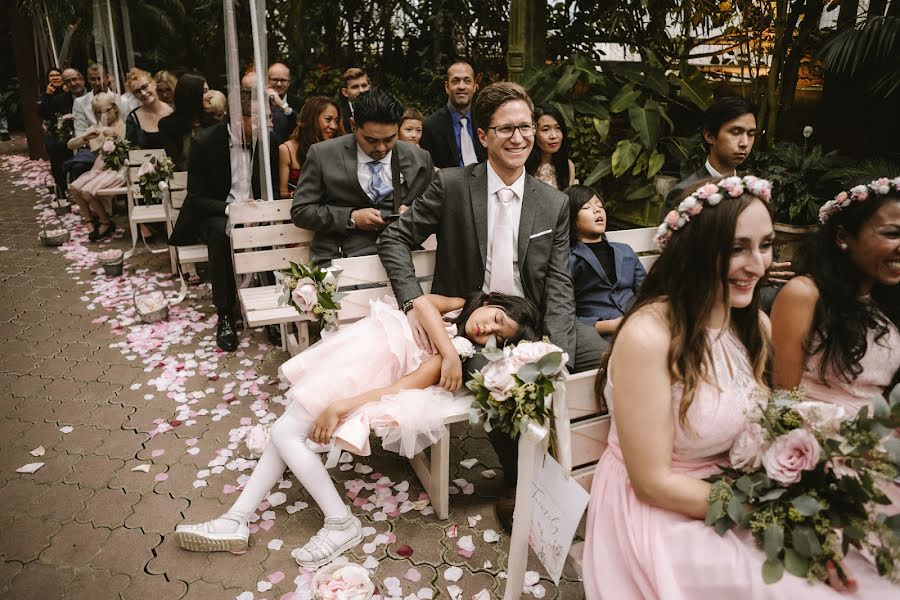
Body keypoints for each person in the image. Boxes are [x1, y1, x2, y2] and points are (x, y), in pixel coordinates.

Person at [582, 175, 898, 599]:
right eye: (736, 248)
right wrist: (772, 516)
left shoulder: (752, 326)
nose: (758, 264)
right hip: (660, 512)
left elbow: (769, 421)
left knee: (864, 566)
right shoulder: (649, 336)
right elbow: (652, 483)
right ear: (693, 251)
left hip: (733, 490)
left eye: (765, 245)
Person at [378, 81, 607, 530]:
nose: (519, 138)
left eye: (525, 127)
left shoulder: (554, 201)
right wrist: (413, 301)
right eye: (506, 129)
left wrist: (554, 350)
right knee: (502, 377)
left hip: (535, 318)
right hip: (475, 322)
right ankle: (517, 478)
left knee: (604, 362)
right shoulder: (451, 185)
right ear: (483, 136)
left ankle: (589, 468)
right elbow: (393, 238)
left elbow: (559, 283)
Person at [174, 292, 540, 567]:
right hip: (351, 354)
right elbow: (423, 303)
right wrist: (445, 347)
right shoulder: (460, 306)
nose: (486, 327)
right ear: (492, 301)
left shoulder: (456, 358)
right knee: (286, 430)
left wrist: (344, 406)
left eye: (495, 335)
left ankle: (338, 522)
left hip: (360, 374)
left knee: (286, 433)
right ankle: (235, 520)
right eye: (495, 316)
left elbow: (403, 386)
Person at [771, 178, 900, 412]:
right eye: (892, 234)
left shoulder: (887, 304)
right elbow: (781, 402)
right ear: (843, 237)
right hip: (811, 439)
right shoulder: (804, 295)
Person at [167, 88, 280, 352]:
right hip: (218, 212)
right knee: (221, 234)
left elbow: (270, 185)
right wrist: (233, 210)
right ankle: (225, 313)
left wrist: (259, 209)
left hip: (256, 211)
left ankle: (271, 309)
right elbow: (196, 197)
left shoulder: (268, 142)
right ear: (241, 119)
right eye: (263, 118)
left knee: (268, 231)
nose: (269, 123)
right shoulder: (204, 142)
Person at [291, 88, 434, 265]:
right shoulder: (322, 154)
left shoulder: (420, 159)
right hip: (338, 257)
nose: (381, 148)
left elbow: (432, 210)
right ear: (353, 125)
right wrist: (351, 218)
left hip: (402, 257)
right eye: (371, 140)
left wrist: (414, 214)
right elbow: (301, 211)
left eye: (390, 139)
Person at [567, 185, 645, 341]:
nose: (597, 210)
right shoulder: (568, 258)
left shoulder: (624, 251)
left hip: (638, 324)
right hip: (600, 335)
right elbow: (563, 314)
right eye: (586, 207)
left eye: (600, 205)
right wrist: (610, 325)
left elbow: (647, 291)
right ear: (571, 217)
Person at [662, 96, 757, 215]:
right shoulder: (685, 192)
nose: (745, 143)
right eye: (735, 132)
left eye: (751, 134)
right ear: (710, 136)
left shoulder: (750, 190)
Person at [66, 93, 126, 241]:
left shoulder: (123, 126)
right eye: (99, 112)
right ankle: (89, 220)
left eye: (107, 110)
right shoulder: (95, 128)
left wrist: (117, 137)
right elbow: (70, 145)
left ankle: (105, 222)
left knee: (87, 192)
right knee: (74, 188)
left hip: (116, 169)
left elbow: (131, 148)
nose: (103, 115)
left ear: (115, 109)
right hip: (98, 169)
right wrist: (85, 138)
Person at [420, 60, 486, 168]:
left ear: (475, 87)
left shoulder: (485, 121)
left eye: (467, 81)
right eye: (455, 81)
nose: (461, 86)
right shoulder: (430, 126)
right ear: (447, 87)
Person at [277, 96, 342, 198]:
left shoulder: (338, 148)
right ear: (312, 119)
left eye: (336, 121)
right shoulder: (287, 150)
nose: (334, 126)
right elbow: (283, 193)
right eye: (328, 119)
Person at [158, 74, 208, 171]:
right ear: (192, 95)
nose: (210, 96)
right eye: (205, 92)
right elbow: (174, 161)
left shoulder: (213, 122)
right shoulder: (167, 125)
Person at [525, 104, 575, 190]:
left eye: (558, 128)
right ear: (533, 132)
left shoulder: (567, 165)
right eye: (545, 129)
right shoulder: (522, 165)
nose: (554, 136)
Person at [124, 68, 173, 150]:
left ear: (153, 83)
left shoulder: (173, 110)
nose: (143, 93)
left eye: (145, 87)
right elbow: (133, 152)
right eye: (137, 91)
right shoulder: (133, 119)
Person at [266, 62, 299, 144]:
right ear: (267, 81)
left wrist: (283, 106)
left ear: (289, 83)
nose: (279, 84)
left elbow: (301, 127)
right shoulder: (260, 102)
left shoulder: (298, 102)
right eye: (275, 80)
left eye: (283, 80)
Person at [337, 67, 370, 133]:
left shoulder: (380, 110)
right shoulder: (339, 116)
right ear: (345, 92)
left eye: (364, 86)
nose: (361, 90)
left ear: (369, 88)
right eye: (355, 87)